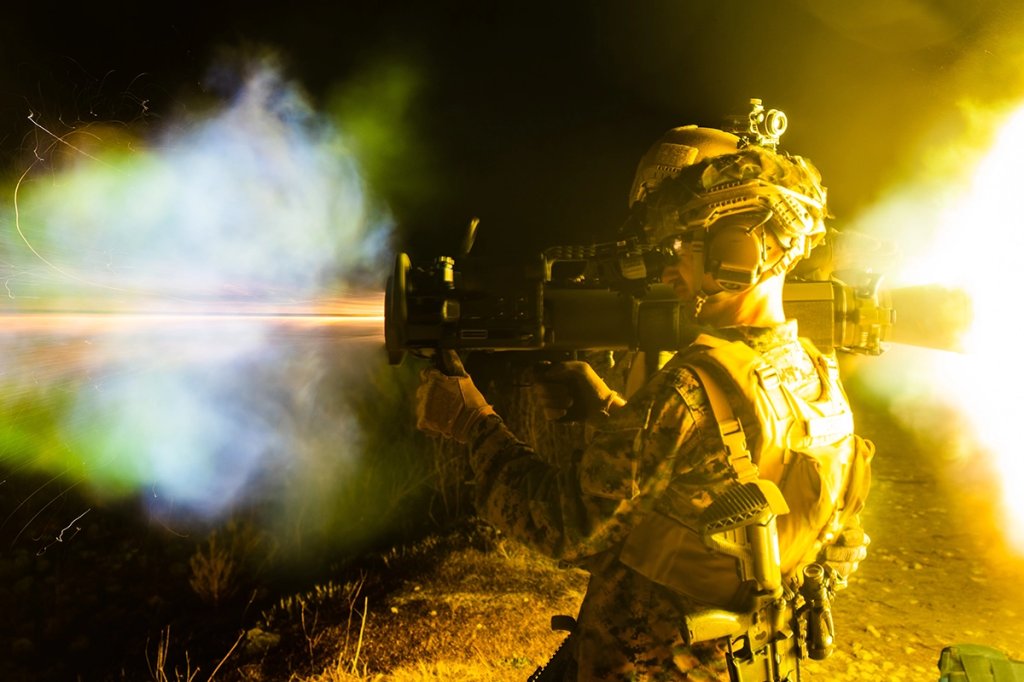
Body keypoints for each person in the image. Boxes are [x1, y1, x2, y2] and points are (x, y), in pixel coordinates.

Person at [415, 110, 873, 681]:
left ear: (738, 249)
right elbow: (709, 486)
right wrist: (612, 410)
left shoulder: (688, 389)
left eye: (684, 242)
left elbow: (566, 524)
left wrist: (472, 424)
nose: (672, 263)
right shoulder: (817, 375)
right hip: (742, 662)